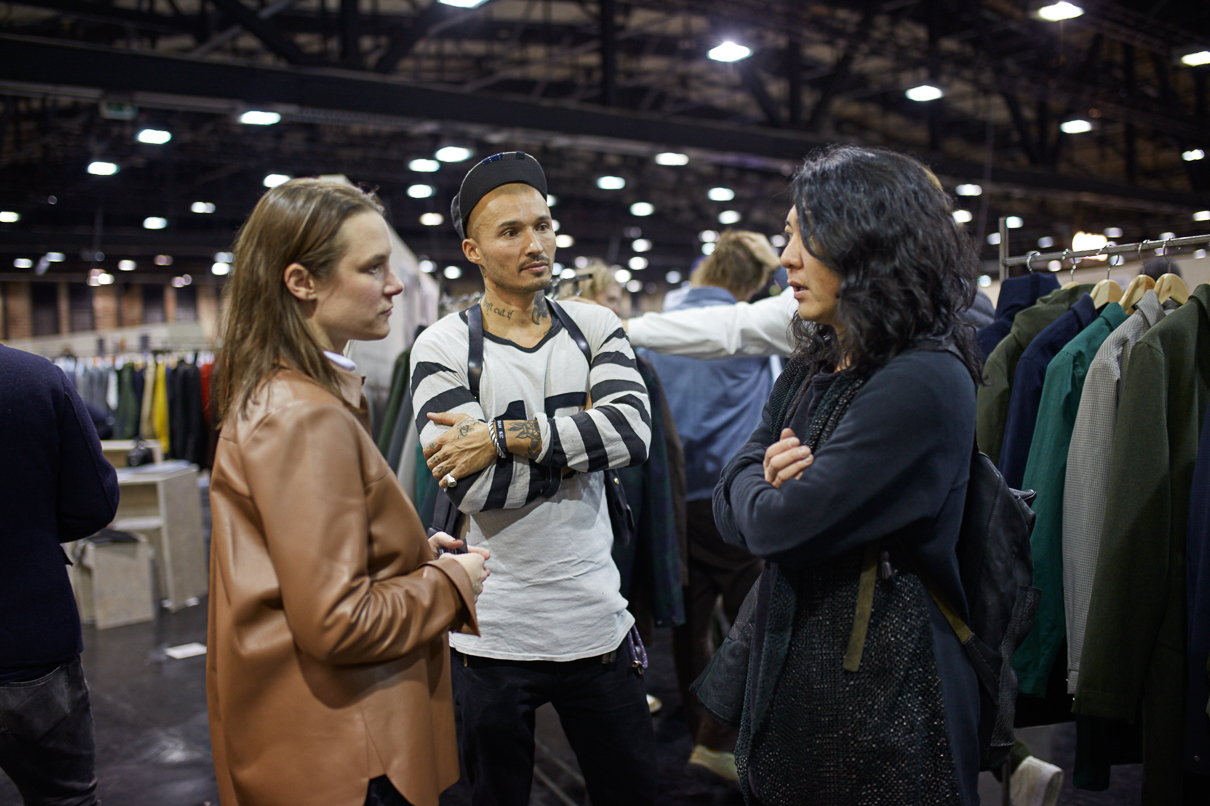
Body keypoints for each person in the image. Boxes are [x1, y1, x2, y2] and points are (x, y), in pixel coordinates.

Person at [711, 145, 983, 805]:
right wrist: (762, 483)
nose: (786, 258)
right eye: (787, 235)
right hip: (802, 685)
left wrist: (764, 489)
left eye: (807, 236)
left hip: (891, 711)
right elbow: (731, 500)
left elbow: (780, 527)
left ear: (869, 244)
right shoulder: (819, 359)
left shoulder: (923, 377)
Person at [207, 178, 488, 806]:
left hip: (321, 739)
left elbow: (295, 568)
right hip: (350, 754)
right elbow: (338, 622)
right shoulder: (303, 415)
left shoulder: (285, 394)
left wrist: (408, 553)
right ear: (301, 281)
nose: (395, 284)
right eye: (372, 267)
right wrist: (452, 582)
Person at [410, 152, 658, 806]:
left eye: (543, 226)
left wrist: (503, 436)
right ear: (473, 249)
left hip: (597, 628)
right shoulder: (440, 346)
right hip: (492, 634)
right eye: (511, 232)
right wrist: (581, 447)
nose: (535, 244)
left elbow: (632, 436)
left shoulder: (599, 327)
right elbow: (474, 491)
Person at [638, 230, 779, 782]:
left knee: (690, 627)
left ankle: (706, 736)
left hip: (675, 503)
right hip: (735, 503)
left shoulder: (659, 333)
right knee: (761, 621)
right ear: (747, 281)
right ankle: (748, 733)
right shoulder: (745, 330)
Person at [0, 344, 119, 806]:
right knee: (64, 800)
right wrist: (29, 528)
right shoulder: (34, 378)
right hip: (30, 641)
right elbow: (93, 503)